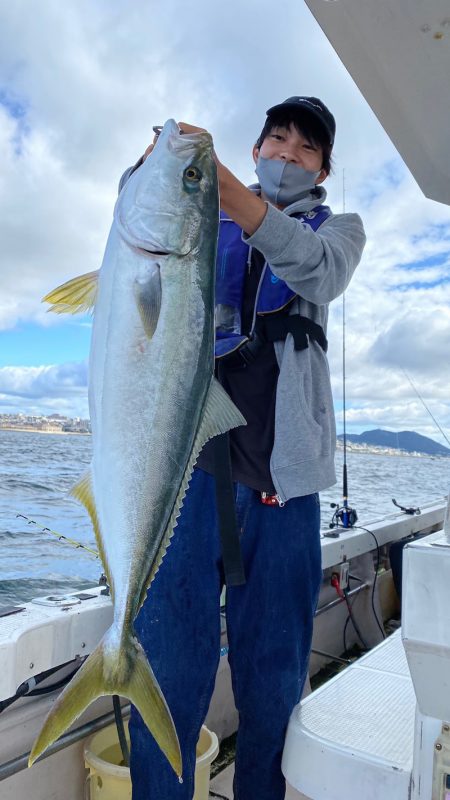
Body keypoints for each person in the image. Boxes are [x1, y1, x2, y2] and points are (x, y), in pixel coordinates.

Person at [123, 96, 366, 799]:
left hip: (281, 485)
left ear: (323, 167)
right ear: (256, 146)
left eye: (305, 148)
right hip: (188, 472)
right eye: (276, 139)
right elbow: (140, 238)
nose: (287, 154)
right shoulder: (202, 217)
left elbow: (320, 271)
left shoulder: (339, 229)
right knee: (167, 666)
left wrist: (228, 191)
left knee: (274, 671)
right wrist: (153, 173)